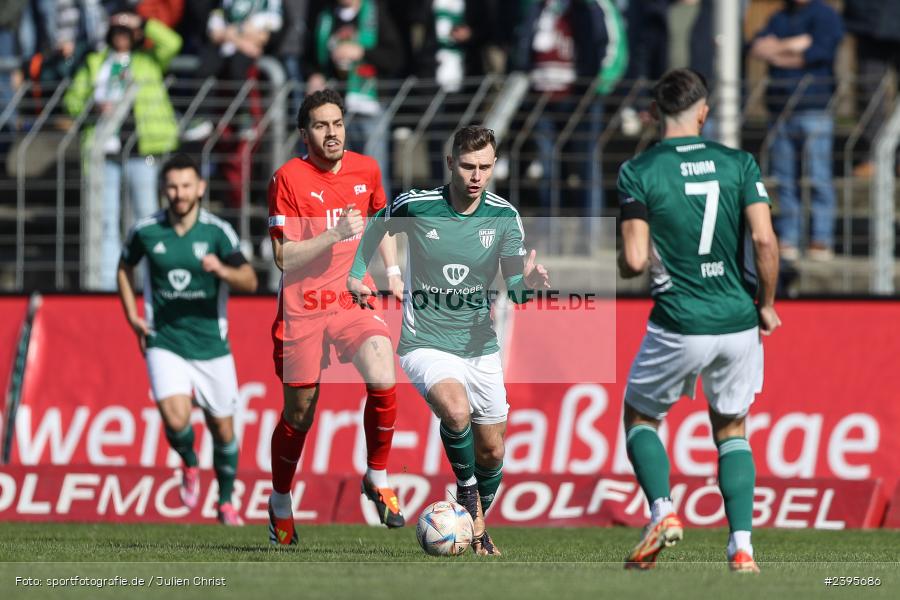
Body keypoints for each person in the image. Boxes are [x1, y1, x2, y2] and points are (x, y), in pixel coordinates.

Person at [348, 125, 551, 555]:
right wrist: (357, 274)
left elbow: (515, 289)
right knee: (456, 411)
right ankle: (471, 506)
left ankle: (471, 521)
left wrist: (529, 282)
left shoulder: (503, 217)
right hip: (426, 343)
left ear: (494, 166)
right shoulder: (418, 204)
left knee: (492, 451)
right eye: (467, 166)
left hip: (480, 349)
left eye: (484, 167)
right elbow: (375, 227)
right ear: (450, 163)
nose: (476, 175)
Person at [616, 69, 781, 572]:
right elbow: (765, 241)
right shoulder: (738, 163)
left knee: (641, 416)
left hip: (680, 321)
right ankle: (742, 548)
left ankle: (663, 512)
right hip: (737, 320)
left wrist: (624, 262)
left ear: (655, 114)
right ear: (703, 111)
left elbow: (637, 260)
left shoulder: (639, 170)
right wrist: (767, 303)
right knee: (732, 429)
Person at [266, 89, 405, 546]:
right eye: (322, 125)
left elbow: (381, 219)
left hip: (348, 299)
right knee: (299, 414)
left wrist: (392, 271)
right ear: (305, 133)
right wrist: (333, 234)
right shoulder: (287, 178)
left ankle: (377, 476)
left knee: (383, 368)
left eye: (338, 123)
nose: (332, 133)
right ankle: (281, 501)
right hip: (302, 307)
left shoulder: (367, 169)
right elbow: (283, 257)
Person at [117, 153, 258, 526]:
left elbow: (250, 281)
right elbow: (124, 266)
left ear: (199, 188)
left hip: (212, 345)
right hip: (165, 341)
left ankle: (226, 501)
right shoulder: (146, 231)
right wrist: (132, 314)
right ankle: (190, 460)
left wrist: (221, 269)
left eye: (185, 186)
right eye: (172, 187)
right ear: (163, 190)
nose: (178, 194)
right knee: (175, 418)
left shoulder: (217, 232)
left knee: (223, 430)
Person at [64, 11, 182, 290]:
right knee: (104, 220)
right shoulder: (95, 62)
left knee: (147, 217)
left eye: (126, 31)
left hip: (143, 150)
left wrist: (143, 23)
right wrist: (92, 106)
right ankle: (105, 284)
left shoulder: (147, 60)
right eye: (116, 30)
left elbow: (172, 44)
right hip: (104, 152)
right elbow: (72, 100)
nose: (121, 36)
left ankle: (148, 283)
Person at [750, 0, 843, 262]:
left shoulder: (825, 15)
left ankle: (821, 240)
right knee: (784, 180)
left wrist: (778, 49)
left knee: (818, 176)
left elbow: (819, 52)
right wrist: (794, 45)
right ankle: (789, 237)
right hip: (780, 109)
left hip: (815, 109)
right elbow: (756, 46)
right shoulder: (778, 16)